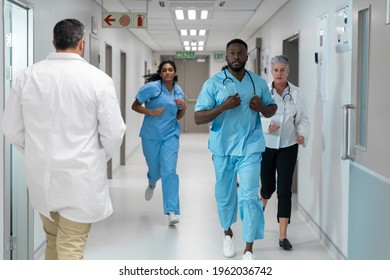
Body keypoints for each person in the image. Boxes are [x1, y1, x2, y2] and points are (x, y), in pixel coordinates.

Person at [1, 19, 126, 260]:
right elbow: (114, 132)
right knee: (70, 249)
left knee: (53, 242)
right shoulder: (98, 80)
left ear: (53, 43)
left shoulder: (26, 77)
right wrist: (98, 156)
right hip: (80, 181)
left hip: (41, 181)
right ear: (82, 44)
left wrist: (37, 153)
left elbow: (11, 129)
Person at [194, 39, 277, 260]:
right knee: (225, 194)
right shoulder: (213, 84)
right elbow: (197, 117)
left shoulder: (258, 82)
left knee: (249, 196)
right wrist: (223, 106)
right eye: (232, 53)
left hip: (250, 146)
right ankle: (228, 233)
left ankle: (249, 248)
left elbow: (271, 109)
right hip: (222, 148)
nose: (236, 56)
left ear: (247, 56)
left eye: (240, 53)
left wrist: (262, 108)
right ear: (226, 56)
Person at [260, 55, 310, 250]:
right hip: (267, 145)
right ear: (271, 72)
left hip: (289, 146)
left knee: (284, 189)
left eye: (282, 70)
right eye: (276, 70)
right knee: (267, 187)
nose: (279, 74)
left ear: (288, 72)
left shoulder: (297, 93)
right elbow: (255, 117)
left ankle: (283, 236)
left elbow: (303, 119)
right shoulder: (264, 91)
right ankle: (259, 212)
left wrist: (302, 134)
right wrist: (267, 124)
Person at [131, 59, 186, 226]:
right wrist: (151, 112)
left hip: (170, 135)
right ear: (160, 73)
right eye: (164, 70)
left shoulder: (178, 91)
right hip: (151, 136)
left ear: (175, 73)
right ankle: (152, 181)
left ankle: (172, 211)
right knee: (155, 170)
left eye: (170, 70)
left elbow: (178, 115)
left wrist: (183, 107)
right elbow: (135, 105)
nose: (167, 73)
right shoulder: (152, 88)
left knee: (169, 170)